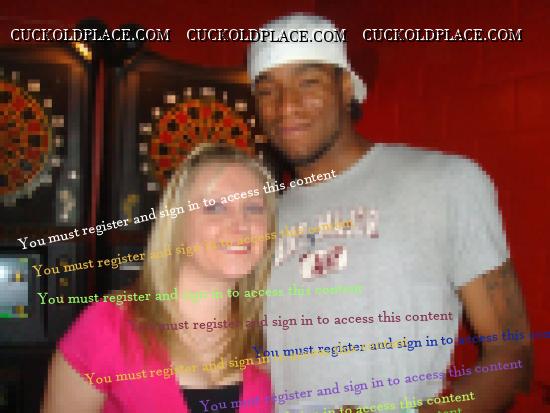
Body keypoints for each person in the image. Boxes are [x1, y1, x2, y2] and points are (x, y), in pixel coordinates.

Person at [248, 13, 532, 413]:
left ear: (345, 87)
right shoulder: (258, 218)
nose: (286, 107)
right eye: (267, 91)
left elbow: (512, 354)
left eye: (308, 82)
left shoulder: (447, 182)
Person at [42, 144, 277, 413]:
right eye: (214, 207)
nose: (241, 224)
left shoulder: (273, 330)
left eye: (254, 208)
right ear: (176, 222)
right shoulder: (107, 327)